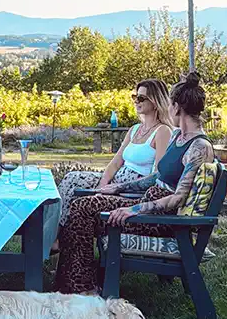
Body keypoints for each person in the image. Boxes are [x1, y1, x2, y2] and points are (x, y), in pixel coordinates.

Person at [54, 72, 214, 294]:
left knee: (83, 208)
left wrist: (133, 208)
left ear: (177, 107)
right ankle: (80, 286)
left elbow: (179, 198)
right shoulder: (179, 138)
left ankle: (80, 288)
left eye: (169, 105)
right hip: (151, 206)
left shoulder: (199, 147)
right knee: (81, 208)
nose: (168, 109)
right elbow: (157, 177)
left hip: (161, 220)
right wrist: (119, 188)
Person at [57, 79, 172, 228]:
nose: (136, 101)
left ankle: (58, 238)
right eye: (135, 97)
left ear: (156, 101)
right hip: (115, 181)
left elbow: (157, 173)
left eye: (141, 98)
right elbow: (116, 162)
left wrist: (120, 187)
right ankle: (57, 233)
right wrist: (101, 187)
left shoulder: (162, 131)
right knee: (70, 179)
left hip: (130, 188)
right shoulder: (135, 129)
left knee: (73, 181)